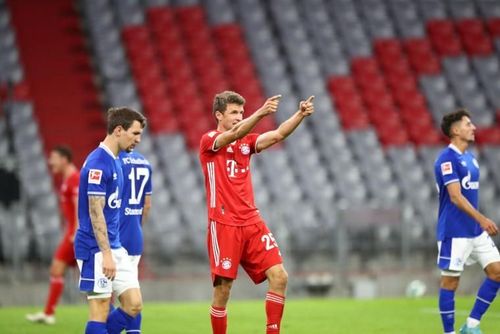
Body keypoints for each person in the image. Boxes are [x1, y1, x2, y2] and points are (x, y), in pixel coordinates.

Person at [199, 91, 314, 334]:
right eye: (234, 112)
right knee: (223, 291)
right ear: (219, 115)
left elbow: (279, 134)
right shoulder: (209, 141)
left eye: (241, 112)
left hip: (252, 222)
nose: (239, 116)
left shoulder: (246, 143)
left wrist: (299, 115)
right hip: (224, 224)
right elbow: (233, 133)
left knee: (280, 277)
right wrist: (261, 112)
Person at [74, 107, 146, 334]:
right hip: (95, 248)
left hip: (115, 246)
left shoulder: (116, 160)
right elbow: (96, 213)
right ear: (118, 130)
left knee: (134, 304)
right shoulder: (97, 163)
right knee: (100, 308)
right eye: (135, 133)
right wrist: (106, 254)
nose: (139, 139)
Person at [434, 109, 500, 334]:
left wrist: (478, 223)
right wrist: (482, 218)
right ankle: (449, 333)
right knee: (450, 283)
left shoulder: (471, 159)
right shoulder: (446, 159)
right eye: (468, 124)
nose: (473, 128)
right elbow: (455, 196)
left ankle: (471, 325)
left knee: (497, 272)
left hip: (475, 231)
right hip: (454, 232)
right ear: (455, 130)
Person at [26, 146, 79, 325]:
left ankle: (110, 311)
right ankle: (48, 313)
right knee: (57, 270)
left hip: (76, 234)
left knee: (92, 276)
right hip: (72, 233)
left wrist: (76, 232)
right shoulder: (67, 179)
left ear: (64, 159)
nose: (50, 162)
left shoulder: (74, 179)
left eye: (54, 158)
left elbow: (80, 205)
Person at [115, 149, 153, 332]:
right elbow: (147, 205)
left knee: (104, 304)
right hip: (134, 238)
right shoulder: (144, 162)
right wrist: (136, 226)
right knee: (131, 302)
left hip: (113, 240)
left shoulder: (112, 161)